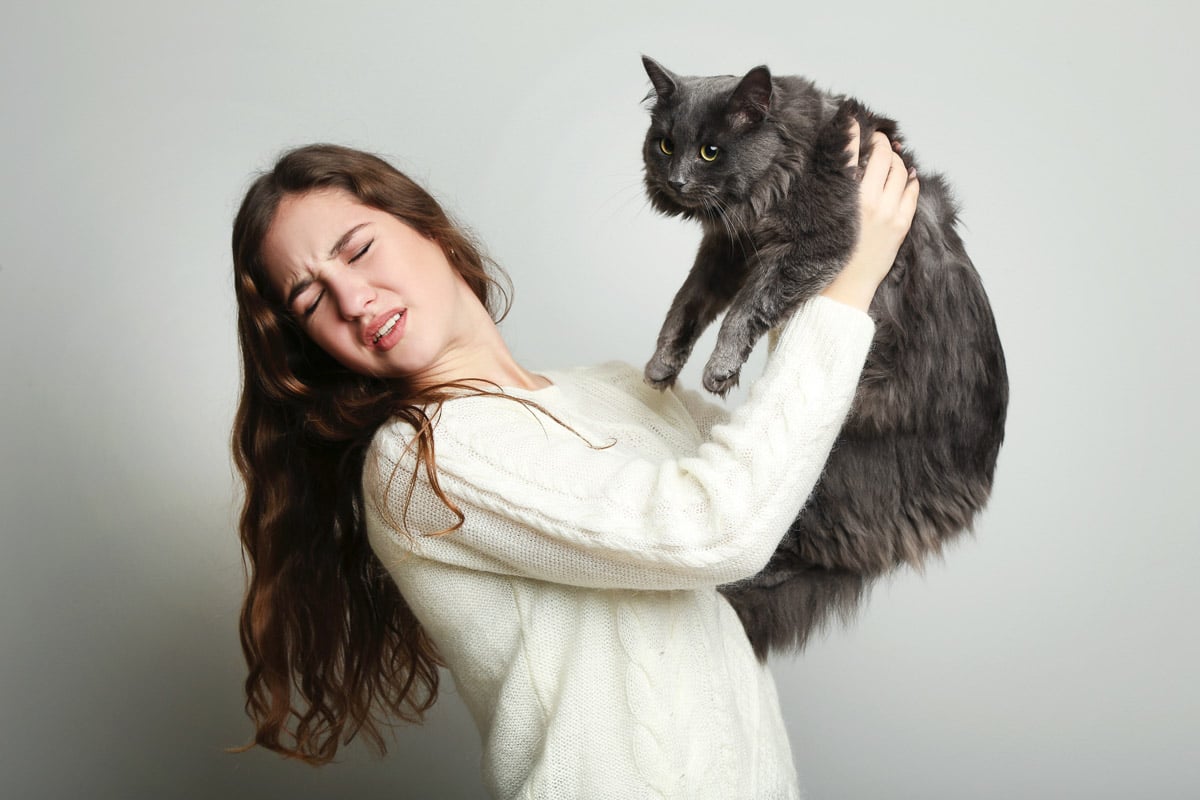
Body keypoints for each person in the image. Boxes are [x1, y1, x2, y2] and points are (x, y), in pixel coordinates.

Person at [231, 121, 919, 799]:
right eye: (311, 299)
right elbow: (719, 529)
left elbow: (793, 486)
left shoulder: (622, 391)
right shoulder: (420, 456)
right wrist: (845, 280)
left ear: (427, 228)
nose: (353, 301)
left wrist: (819, 244)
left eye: (356, 251)